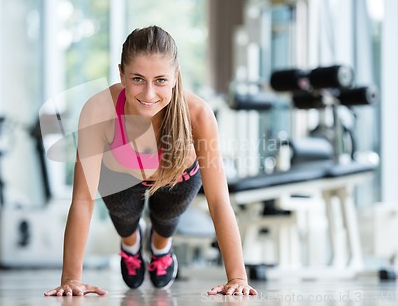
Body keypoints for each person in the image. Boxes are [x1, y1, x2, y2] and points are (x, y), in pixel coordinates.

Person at [44, 26, 257, 297]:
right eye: (137, 79)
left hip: (177, 178)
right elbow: (83, 199)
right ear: (121, 73)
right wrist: (71, 278)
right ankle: (131, 243)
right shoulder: (99, 111)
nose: (148, 94)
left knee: (166, 219)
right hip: (120, 175)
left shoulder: (198, 115)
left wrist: (237, 276)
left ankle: (161, 245)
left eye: (160, 80)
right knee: (125, 219)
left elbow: (218, 201)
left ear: (175, 77)